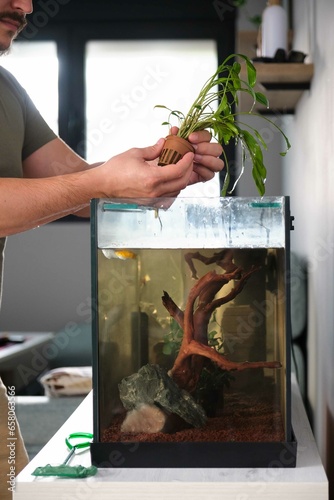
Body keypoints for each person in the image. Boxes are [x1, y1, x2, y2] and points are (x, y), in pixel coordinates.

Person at [0, 1, 224, 498]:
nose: (27, 6)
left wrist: (158, 177)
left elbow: (74, 184)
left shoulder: (7, 88)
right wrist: (103, 183)